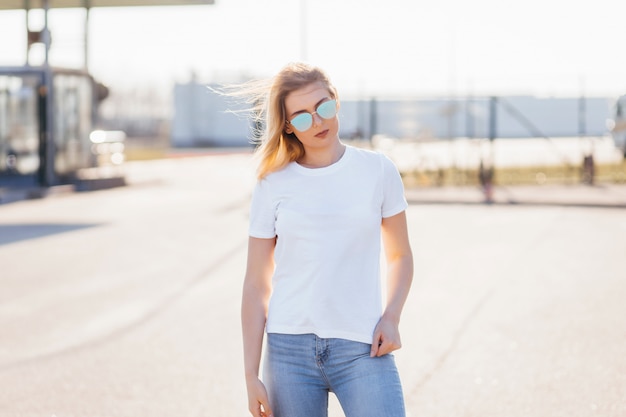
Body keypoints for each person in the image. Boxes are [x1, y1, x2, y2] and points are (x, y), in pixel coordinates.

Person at [241, 62, 414, 417]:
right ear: (288, 127)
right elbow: (256, 284)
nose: (317, 122)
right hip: (288, 352)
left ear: (336, 101)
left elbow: (400, 256)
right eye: (302, 117)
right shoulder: (272, 183)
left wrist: (392, 316)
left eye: (323, 107)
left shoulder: (378, 170)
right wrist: (250, 374)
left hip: (363, 347)